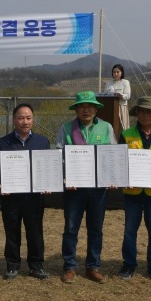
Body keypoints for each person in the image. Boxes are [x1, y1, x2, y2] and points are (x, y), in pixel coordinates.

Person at [55, 91, 116, 284]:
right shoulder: (66, 128)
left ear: (96, 109)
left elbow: (112, 155)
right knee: (71, 229)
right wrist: (66, 176)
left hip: (98, 189)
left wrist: (112, 177)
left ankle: (93, 266)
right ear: (76, 110)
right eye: (81, 106)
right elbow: (59, 157)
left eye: (90, 106)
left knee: (96, 229)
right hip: (74, 189)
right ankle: (69, 267)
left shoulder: (106, 127)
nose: (86, 110)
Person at [0, 103, 51, 280]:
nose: (25, 121)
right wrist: (1, 183)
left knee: (35, 232)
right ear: (14, 120)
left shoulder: (42, 141)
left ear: (33, 120)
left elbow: (47, 167)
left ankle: (36, 265)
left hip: (34, 197)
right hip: (11, 197)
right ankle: (12, 265)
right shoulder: (3, 142)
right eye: (21, 118)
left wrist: (48, 182)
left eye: (28, 118)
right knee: (12, 231)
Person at [118, 96, 151, 283]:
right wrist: (123, 178)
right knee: (129, 231)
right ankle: (129, 264)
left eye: (149, 111)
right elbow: (120, 161)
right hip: (132, 193)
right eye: (142, 111)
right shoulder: (126, 134)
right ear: (136, 114)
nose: (145, 115)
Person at [104, 63, 131, 131]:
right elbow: (104, 95)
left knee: (123, 128)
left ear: (122, 72)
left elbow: (128, 95)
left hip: (121, 107)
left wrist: (120, 96)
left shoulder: (125, 82)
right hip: (111, 108)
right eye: (114, 72)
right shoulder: (108, 83)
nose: (116, 74)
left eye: (118, 72)